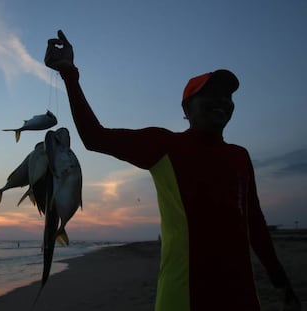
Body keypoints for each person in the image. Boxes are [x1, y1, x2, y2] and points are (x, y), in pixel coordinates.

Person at [44, 30, 301, 311]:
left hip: (242, 299)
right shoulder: (164, 145)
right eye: (211, 94)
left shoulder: (240, 157)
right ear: (187, 109)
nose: (222, 101)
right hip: (183, 298)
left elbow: (255, 221)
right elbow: (95, 137)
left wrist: (280, 280)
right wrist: (70, 75)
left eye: (227, 96)